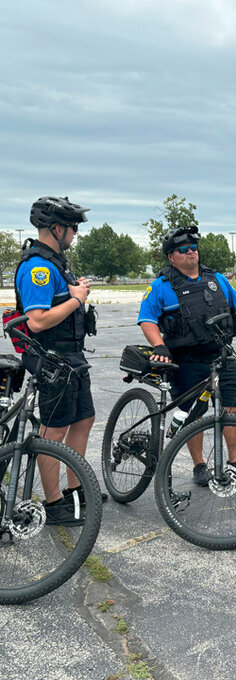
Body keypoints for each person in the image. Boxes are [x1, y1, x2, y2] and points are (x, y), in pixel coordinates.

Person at [138, 225, 236, 486]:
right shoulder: (160, 286)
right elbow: (146, 319)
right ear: (171, 256)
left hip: (221, 355)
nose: (191, 252)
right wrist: (159, 345)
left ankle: (235, 461)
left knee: (232, 408)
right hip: (187, 361)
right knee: (194, 414)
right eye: (183, 250)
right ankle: (199, 465)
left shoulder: (218, 280)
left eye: (193, 248)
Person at [13, 196, 101, 525]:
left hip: (71, 356)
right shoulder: (38, 266)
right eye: (73, 228)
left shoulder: (56, 262)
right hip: (51, 358)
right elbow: (36, 320)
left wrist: (73, 289)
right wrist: (77, 299)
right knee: (55, 430)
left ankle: (75, 490)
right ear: (57, 228)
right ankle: (53, 504)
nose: (75, 234)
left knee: (83, 420)